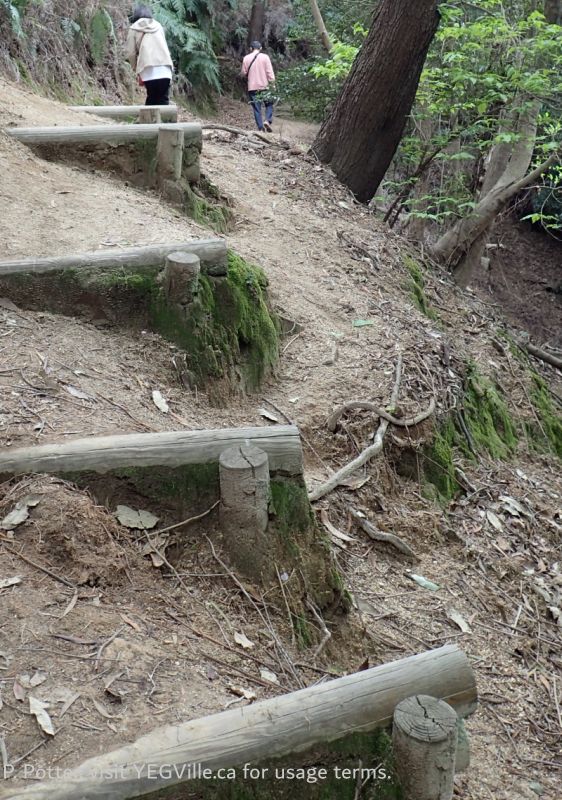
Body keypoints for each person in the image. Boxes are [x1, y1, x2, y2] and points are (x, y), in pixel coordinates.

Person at [126, 5, 173, 106]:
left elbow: (131, 53)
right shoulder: (159, 26)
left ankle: (149, 121)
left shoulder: (133, 28)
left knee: (152, 97)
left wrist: (136, 69)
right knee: (163, 99)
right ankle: (165, 120)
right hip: (165, 68)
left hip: (147, 69)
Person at [241, 41, 276, 132]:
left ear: (251, 48)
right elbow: (269, 72)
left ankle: (260, 128)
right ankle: (267, 120)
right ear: (260, 48)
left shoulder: (246, 58)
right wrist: (273, 84)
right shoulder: (265, 57)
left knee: (257, 108)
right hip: (265, 86)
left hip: (252, 87)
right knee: (269, 104)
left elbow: (243, 73)